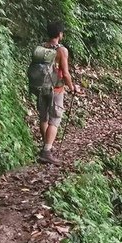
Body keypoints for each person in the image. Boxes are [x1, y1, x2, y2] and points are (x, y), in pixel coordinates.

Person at [30, 21, 77, 165]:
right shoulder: (62, 50)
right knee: (55, 119)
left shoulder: (41, 47)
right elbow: (66, 73)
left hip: (40, 87)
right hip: (55, 89)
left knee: (44, 118)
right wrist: (72, 87)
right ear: (60, 34)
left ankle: (46, 147)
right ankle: (46, 151)